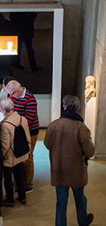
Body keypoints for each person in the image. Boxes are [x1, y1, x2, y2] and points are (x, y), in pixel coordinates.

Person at [44, 95, 95, 226]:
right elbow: (89, 151)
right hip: (76, 170)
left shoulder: (53, 125)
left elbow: (47, 144)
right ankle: (83, 221)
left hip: (59, 169)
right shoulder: (81, 127)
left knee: (61, 202)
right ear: (77, 108)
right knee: (80, 198)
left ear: (64, 106)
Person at [6, 80, 39, 192]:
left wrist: (12, 122)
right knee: (20, 157)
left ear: (19, 91)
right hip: (18, 130)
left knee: (28, 157)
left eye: (12, 94)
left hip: (30, 131)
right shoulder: (13, 96)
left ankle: (28, 185)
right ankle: (20, 182)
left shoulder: (30, 99)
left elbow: (27, 120)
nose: (11, 97)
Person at [0, 98, 31, 207]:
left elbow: (5, 145)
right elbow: (27, 136)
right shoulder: (23, 119)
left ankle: (10, 200)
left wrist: (0, 157)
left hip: (10, 157)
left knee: (8, 178)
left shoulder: (5, 125)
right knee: (20, 176)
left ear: (4, 110)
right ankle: (23, 197)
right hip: (21, 154)